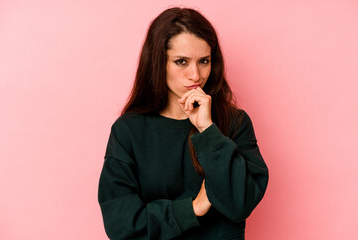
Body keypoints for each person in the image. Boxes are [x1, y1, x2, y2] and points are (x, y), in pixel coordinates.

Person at [98, 7, 269, 240]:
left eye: (204, 61)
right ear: (159, 63)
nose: (196, 75)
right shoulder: (129, 130)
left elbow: (240, 204)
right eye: (181, 62)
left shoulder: (234, 123)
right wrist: (192, 208)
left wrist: (208, 130)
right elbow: (120, 224)